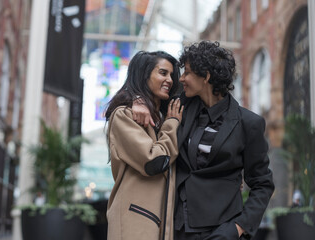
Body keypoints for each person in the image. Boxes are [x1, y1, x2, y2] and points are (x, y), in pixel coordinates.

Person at [132, 41, 275, 240]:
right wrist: (138, 100)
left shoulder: (248, 123)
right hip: (176, 226)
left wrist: (238, 227)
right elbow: (149, 90)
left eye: (187, 73)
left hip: (221, 230)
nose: (180, 79)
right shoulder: (179, 106)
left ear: (206, 76)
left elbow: (262, 184)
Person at [105, 50, 184, 240]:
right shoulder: (124, 115)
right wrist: (172, 125)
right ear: (144, 74)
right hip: (134, 220)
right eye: (163, 73)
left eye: (171, 75)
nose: (170, 80)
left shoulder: (161, 118)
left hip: (157, 221)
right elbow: (154, 161)